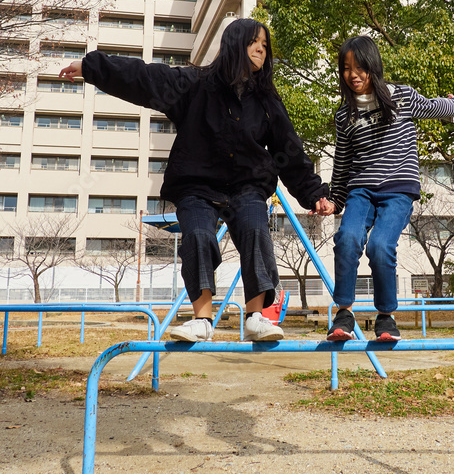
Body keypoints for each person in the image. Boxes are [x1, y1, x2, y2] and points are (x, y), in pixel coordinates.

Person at [59, 18, 334, 342]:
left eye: (264, 44)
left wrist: (314, 193)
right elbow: (145, 78)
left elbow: (289, 151)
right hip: (197, 185)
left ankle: (256, 317)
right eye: (253, 42)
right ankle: (202, 319)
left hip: (246, 187)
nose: (261, 48)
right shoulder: (195, 84)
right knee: (198, 236)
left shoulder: (266, 101)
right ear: (234, 46)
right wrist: (91, 68)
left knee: (255, 229)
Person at [326, 35, 454, 342]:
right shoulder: (344, 114)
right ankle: (343, 314)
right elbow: (343, 160)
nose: (354, 74)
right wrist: (335, 199)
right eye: (346, 68)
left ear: (372, 66)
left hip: (398, 189)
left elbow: (433, 107)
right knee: (346, 239)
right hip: (361, 189)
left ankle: (386, 318)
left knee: (380, 247)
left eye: (360, 66)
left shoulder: (401, 96)